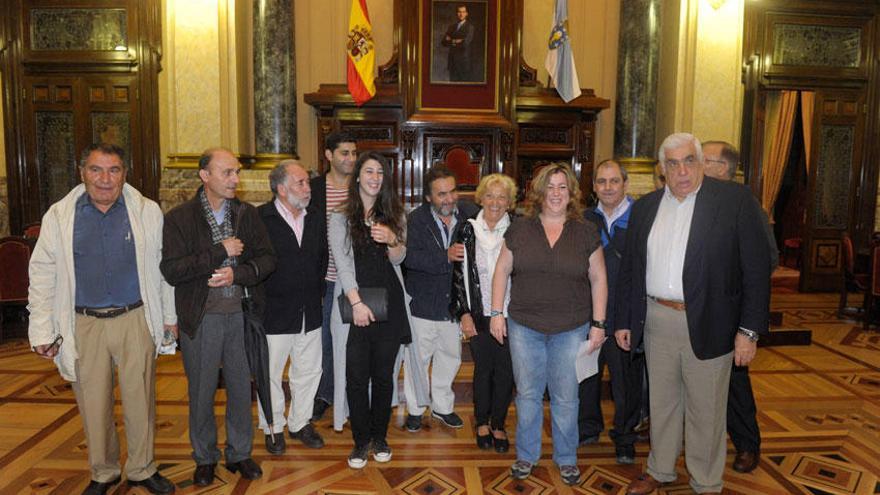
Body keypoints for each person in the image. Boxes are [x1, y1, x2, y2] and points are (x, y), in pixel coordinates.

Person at [617, 133, 771, 495]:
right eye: (673, 163)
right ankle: (660, 468)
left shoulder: (734, 202)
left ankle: (705, 481)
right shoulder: (646, 207)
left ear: (701, 163)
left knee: (707, 410)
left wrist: (748, 331)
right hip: (656, 319)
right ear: (662, 169)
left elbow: (757, 268)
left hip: (711, 321)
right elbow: (631, 272)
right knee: (663, 402)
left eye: (689, 160)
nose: (682, 170)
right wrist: (625, 320)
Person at [28, 143, 177, 495]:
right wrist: (41, 329)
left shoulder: (147, 211)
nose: (105, 179)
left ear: (124, 174)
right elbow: (42, 273)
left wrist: (170, 317)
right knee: (93, 403)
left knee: (141, 400)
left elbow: (162, 269)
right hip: (83, 323)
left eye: (113, 170)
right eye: (96, 170)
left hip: (135, 318)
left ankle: (142, 468)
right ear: (83, 173)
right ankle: (104, 472)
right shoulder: (60, 215)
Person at [160, 148, 275, 487]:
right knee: (201, 390)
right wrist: (220, 252)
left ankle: (239, 453)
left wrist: (237, 275)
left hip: (241, 316)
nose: (235, 180)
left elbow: (268, 259)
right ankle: (205, 456)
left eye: (237, 172)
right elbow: (172, 270)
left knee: (242, 388)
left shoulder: (246, 215)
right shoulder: (179, 218)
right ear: (204, 176)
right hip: (202, 317)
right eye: (227, 173)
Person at [490, 163, 608, 486]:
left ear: (571, 193)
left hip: (571, 327)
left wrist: (599, 323)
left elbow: (599, 278)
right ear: (539, 192)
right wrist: (496, 313)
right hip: (524, 325)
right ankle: (526, 455)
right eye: (550, 187)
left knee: (566, 396)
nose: (556, 193)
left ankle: (567, 458)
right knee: (527, 394)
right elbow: (501, 271)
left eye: (562, 187)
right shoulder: (520, 229)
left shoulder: (585, 231)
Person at [328, 151, 412, 469]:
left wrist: (392, 239)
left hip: (389, 301)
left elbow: (398, 259)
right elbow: (343, 263)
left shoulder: (395, 212)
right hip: (356, 303)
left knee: (384, 376)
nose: (375, 177)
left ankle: (380, 437)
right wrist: (357, 303)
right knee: (355, 376)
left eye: (380, 172)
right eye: (369, 171)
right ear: (358, 176)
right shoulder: (341, 215)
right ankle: (360, 442)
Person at [703, 139, 776, 473]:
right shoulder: (696, 201)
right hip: (696, 312)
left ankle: (747, 444)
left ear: (722, 169)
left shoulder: (745, 204)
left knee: (735, 385)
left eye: (702, 159)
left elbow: (765, 262)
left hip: (731, 315)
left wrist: (749, 327)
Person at [256, 159, 327, 455]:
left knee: (309, 371)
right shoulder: (260, 218)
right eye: (300, 183)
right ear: (282, 188)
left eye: (307, 182)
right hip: (274, 312)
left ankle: (300, 423)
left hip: (309, 309)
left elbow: (321, 259)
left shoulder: (316, 217)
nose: (307, 188)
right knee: (270, 373)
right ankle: (273, 427)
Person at [578, 160, 645, 465]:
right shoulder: (582, 219)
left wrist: (631, 320)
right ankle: (588, 428)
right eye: (601, 182)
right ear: (593, 187)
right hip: (589, 318)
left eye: (614, 181)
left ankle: (625, 437)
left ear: (625, 184)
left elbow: (644, 273)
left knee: (625, 384)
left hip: (623, 319)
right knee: (587, 377)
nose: (607, 187)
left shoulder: (641, 218)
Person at [402, 165, 478, 432]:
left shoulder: (470, 215)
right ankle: (414, 409)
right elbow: (408, 258)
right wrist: (444, 257)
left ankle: (443, 407)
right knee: (417, 361)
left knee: (450, 357)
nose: (449, 199)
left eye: (452, 191)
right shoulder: (415, 220)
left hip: (453, 304)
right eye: (441, 194)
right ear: (428, 197)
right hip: (422, 304)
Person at [449, 173, 517, 453]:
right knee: (483, 370)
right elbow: (457, 275)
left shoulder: (518, 230)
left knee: (506, 372)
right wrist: (463, 313)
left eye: (502, 197)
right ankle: (481, 422)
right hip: (478, 314)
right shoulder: (467, 229)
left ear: (510, 202)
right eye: (490, 195)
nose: (495, 202)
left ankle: (499, 423)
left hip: (511, 314)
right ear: (481, 198)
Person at [311, 131, 358, 423]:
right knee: (325, 343)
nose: (351, 159)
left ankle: (354, 396)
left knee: (357, 341)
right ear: (329, 155)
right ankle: (325, 395)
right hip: (325, 281)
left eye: (354, 153)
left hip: (357, 282)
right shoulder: (313, 189)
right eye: (344, 153)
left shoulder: (364, 187)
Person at [442, 4, 475, 81]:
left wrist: (451, 40)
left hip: (463, 63)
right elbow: (443, 42)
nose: (461, 14)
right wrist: (456, 41)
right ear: (457, 13)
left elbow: (465, 43)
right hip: (452, 63)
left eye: (463, 12)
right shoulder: (452, 27)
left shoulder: (470, 27)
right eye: (459, 12)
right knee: (452, 89)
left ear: (466, 13)